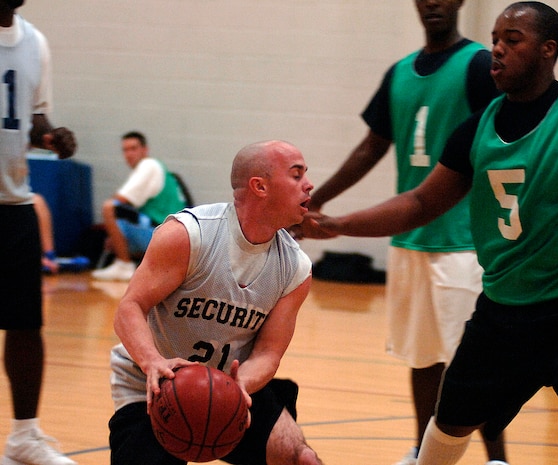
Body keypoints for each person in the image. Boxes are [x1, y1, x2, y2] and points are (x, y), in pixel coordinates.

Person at [302, 3, 558, 465]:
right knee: (449, 420)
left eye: (513, 41)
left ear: (548, 50)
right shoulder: (479, 127)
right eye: (495, 38)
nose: (497, 49)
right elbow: (420, 203)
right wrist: (337, 224)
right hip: (506, 306)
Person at [295, 1, 506, 464]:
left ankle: (497, 458)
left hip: (465, 241)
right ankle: (420, 452)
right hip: (409, 239)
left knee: (475, 363)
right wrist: (318, 199)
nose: (434, 2)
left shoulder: (475, 64)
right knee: (422, 357)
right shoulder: (399, 72)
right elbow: (372, 145)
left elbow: (503, 138)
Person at [108, 140, 324, 465]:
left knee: (300, 459)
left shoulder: (295, 268)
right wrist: (152, 361)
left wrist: (240, 386)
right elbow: (129, 308)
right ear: (259, 186)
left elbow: (268, 353)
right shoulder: (188, 236)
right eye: (296, 175)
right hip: (152, 385)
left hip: (228, 384)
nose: (308, 185)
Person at [0, 1, 78, 464]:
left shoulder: (35, 42)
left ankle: (23, 439)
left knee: (27, 325)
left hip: (14, 203)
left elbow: (33, 119)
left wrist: (51, 137)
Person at [92, 131, 187, 282]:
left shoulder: (149, 165)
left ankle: (124, 266)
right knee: (121, 223)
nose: (128, 154)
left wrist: (112, 232)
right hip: (174, 235)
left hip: (163, 233)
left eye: (133, 148)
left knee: (110, 208)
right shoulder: (159, 168)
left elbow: (121, 199)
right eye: (125, 150)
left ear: (145, 150)